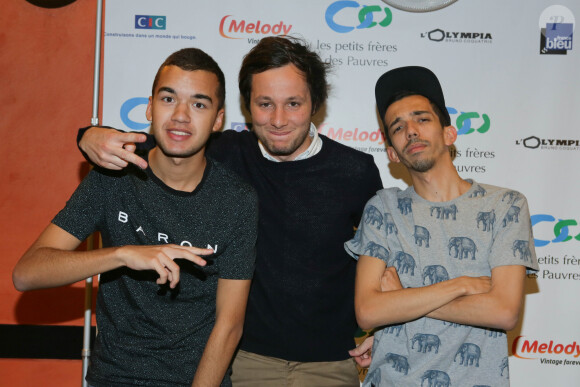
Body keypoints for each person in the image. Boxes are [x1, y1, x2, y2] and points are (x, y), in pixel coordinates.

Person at [76, 36, 383, 386]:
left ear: (316, 104)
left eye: (293, 103)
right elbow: (164, 138)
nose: (279, 120)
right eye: (265, 104)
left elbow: (385, 256)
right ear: (246, 107)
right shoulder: (226, 153)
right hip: (245, 363)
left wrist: (388, 329)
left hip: (331, 364)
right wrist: (88, 135)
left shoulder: (356, 171)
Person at [13, 48, 258, 387]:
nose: (181, 115)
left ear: (218, 119)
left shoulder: (236, 200)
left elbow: (229, 324)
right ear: (149, 107)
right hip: (113, 377)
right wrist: (122, 254)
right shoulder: (113, 177)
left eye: (199, 104)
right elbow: (27, 273)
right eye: (169, 99)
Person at [345, 66, 539, 386]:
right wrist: (461, 284)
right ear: (392, 152)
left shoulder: (506, 206)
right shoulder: (383, 209)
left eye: (422, 119)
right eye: (398, 126)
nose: (411, 131)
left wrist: (403, 300)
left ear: (449, 134)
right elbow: (368, 311)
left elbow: (503, 311)